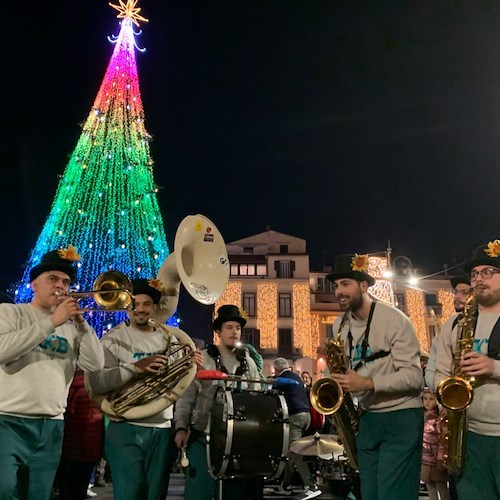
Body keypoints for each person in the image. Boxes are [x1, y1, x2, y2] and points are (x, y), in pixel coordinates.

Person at [0, 246, 104, 500]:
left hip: (52, 425)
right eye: (52, 279)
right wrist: (52, 322)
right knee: (5, 491)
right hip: (8, 420)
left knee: (38, 494)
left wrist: (81, 323)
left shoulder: (72, 326)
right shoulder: (11, 312)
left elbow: (96, 363)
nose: (60, 286)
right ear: (34, 283)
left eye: (66, 282)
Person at [327, 253, 424, 500]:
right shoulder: (339, 325)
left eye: (345, 284)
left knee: (394, 495)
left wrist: (368, 383)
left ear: (363, 285)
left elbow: (414, 377)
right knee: (369, 495)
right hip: (368, 418)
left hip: (401, 416)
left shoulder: (394, 319)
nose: (339, 291)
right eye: (336, 286)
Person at [86, 278, 190, 500]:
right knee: (129, 493)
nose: (140, 310)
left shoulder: (169, 338)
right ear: (126, 306)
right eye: (135, 304)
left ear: (154, 307)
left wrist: (191, 363)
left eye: (146, 304)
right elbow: (96, 383)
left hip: (161, 427)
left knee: (156, 494)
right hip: (125, 426)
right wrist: (134, 368)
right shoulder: (111, 339)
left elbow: (179, 381)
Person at [173, 304, 261, 500]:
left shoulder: (249, 363)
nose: (234, 332)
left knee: (234, 493)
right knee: (199, 491)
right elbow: (187, 397)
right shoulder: (202, 359)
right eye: (229, 327)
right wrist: (181, 427)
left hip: (237, 438)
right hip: (202, 435)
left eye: (238, 328)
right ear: (219, 331)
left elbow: (255, 397)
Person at [435, 240, 500, 499]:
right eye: (475, 274)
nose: (479, 279)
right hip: (468, 436)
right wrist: (445, 403)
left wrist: (494, 367)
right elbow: (440, 372)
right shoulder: (455, 324)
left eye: (488, 272)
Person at [272, 358, 322, 499]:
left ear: (276, 370)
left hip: (296, 417)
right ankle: (286, 485)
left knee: (295, 452)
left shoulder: (281, 379)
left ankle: (311, 486)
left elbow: (273, 397)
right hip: (307, 416)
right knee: (289, 450)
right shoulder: (297, 377)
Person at [56, 368, 104, 500]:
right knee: (79, 490)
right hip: (91, 446)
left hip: (68, 446)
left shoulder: (66, 385)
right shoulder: (98, 387)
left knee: (66, 490)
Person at [425, 276, 470, 390]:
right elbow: (437, 368)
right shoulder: (450, 324)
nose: (457, 297)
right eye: (455, 292)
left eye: (464, 292)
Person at [421, 388, 450, 500]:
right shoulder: (423, 416)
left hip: (436, 459)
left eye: (431, 399)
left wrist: (440, 458)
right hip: (425, 459)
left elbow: (443, 440)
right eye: (425, 399)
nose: (427, 402)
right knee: (430, 486)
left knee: (441, 487)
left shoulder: (439, 420)